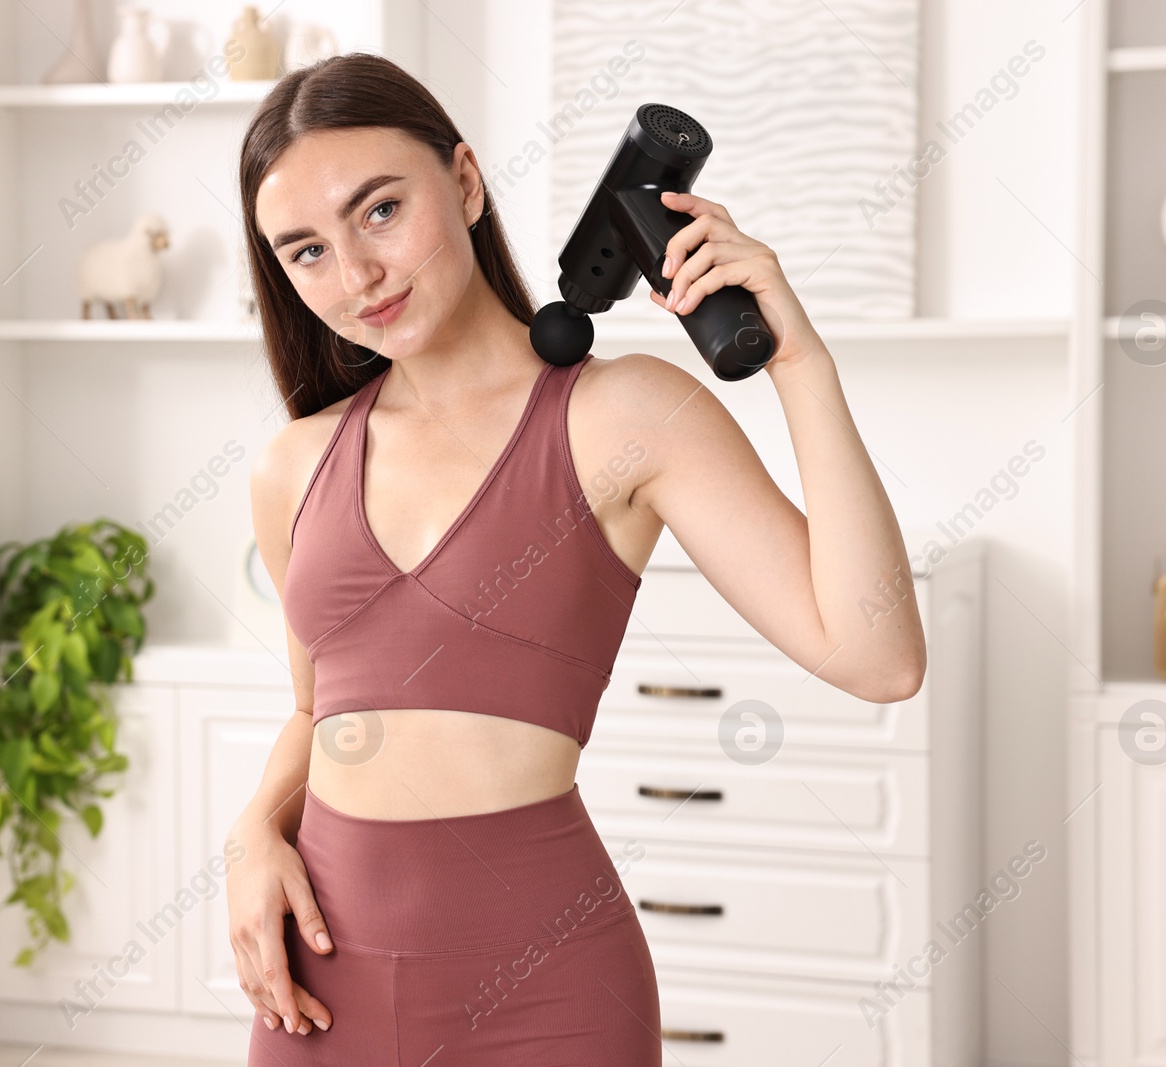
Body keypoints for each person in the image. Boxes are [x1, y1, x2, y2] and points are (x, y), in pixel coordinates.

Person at [227, 51, 926, 1066]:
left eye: (379, 211)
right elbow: (318, 708)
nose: (357, 274)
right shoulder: (294, 463)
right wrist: (253, 830)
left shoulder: (621, 413)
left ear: (464, 182)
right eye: (306, 251)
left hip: (545, 991)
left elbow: (879, 657)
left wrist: (800, 363)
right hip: (316, 984)